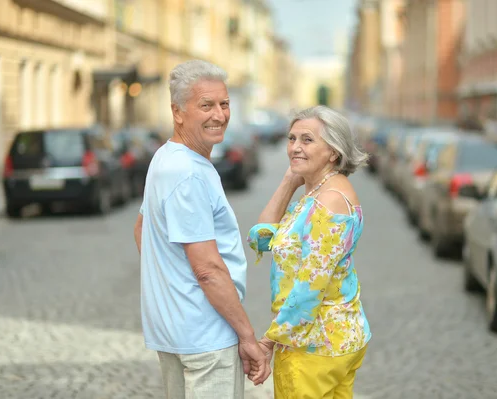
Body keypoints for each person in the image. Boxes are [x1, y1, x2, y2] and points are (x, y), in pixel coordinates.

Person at [133, 59, 270, 399]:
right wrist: (247, 336)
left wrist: (174, 288)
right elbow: (207, 268)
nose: (220, 115)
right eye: (206, 105)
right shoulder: (188, 172)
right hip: (206, 338)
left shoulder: (166, 158)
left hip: (176, 331)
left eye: (224, 104)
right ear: (178, 112)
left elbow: (142, 229)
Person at [248, 105, 372, 398]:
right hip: (331, 340)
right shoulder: (316, 193)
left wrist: (269, 341)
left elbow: (310, 286)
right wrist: (289, 182)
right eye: (291, 139)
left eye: (307, 140)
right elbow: (262, 237)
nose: (295, 148)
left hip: (314, 345)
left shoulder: (329, 202)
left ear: (333, 151)